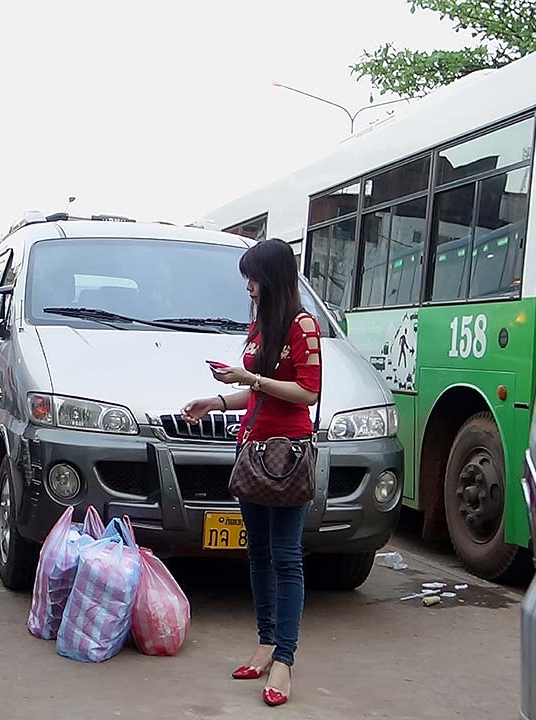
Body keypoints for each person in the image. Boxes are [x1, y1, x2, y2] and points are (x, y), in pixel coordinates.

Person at [180, 239, 322, 708]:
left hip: (287, 454)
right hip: (251, 448)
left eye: (254, 277)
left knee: (286, 557)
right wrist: (216, 400)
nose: (249, 286)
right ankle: (265, 644)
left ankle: (285, 659)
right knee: (257, 554)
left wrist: (250, 379)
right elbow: (258, 395)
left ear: (274, 277)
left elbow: (306, 393)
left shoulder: (304, 326)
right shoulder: (259, 325)